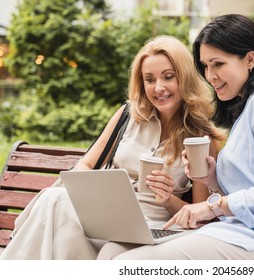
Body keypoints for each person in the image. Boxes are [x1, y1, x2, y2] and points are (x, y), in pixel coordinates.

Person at [106, 14, 254, 260]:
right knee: (112, 253)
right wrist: (213, 179)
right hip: (244, 234)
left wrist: (213, 206)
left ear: (249, 59)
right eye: (205, 66)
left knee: (128, 263)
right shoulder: (251, 106)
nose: (210, 76)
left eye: (218, 64)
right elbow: (253, 187)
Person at [0, 35, 225, 260]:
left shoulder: (200, 137)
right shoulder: (129, 114)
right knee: (56, 200)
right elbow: (86, 164)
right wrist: (95, 192)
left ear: (184, 78)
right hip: (106, 216)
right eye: (149, 79)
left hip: (153, 227)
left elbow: (199, 213)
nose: (158, 88)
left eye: (168, 77)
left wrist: (168, 199)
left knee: (56, 202)